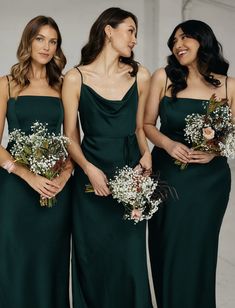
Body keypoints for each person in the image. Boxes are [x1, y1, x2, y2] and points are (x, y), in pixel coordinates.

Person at [62, 7, 152, 308]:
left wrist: (146, 156)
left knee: (130, 257)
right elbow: (70, 136)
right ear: (108, 31)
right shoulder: (75, 78)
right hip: (90, 178)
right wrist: (88, 169)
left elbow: (140, 128)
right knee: (93, 256)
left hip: (130, 177)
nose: (135, 39)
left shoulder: (141, 75)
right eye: (130, 30)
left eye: (136, 33)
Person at [144, 19, 235, 308]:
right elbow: (146, 124)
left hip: (210, 182)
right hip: (170, 177)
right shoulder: (164, 77)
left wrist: (217, 152)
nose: (178, 45)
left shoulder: (228, 85)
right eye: (173, 41)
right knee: (168, 248)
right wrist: (168, 144)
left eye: (185, 38)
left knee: (199, 250)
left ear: (203, 40)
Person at [0, 16, 72, 308]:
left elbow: (72, 141)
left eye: (52, 41)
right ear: (28, 41)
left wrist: (63, 178)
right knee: (16, 257)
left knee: (50, 258)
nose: (46, 46)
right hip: (15, 189)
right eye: (40, 38)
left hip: (55, 188)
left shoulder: (64, 85)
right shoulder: (7, 85)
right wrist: (25, 174)